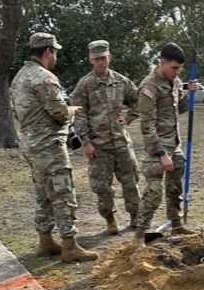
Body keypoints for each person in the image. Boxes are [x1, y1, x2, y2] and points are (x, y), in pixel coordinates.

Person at [10, 32, 98, 263]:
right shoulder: (45, 77)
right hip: (49, 145)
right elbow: (58, 112)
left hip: (30, 143)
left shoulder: (19, 77)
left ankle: (46, 241)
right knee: (62, 192)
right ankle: (69, 245)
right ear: (48, 51)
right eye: (55, 52)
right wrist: (72, 111)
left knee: (43, 193)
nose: (56, 56)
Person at [71, 39, 141, 235]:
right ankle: (110, 220)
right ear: (90, 60)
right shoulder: (85, 85)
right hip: (98, 145)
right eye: (96, 59)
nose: (100, 62)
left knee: (131, 182)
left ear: (110, 57)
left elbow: (138, 101)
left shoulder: (122, 81)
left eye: (103, 58)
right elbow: (79, 114)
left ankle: (135, 217)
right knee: (102, 186)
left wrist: (128, 118)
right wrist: (86, 142)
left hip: (121, 143)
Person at [134, 42, 198, 245]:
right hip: (157, 147)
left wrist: (190, 93)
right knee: (153, 192)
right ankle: (139, 234)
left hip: (174, 143)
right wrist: (162, 154)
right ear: (161, 62)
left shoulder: (176, 82)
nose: (177, 72)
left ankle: (176, 224)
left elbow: (179, 109)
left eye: (179, 68)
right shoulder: (149, 86)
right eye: (173, 68)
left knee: (174, 187)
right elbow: (147, 126)